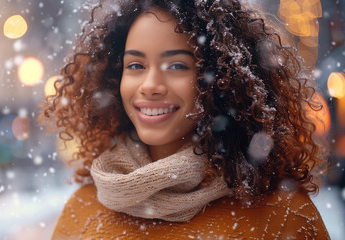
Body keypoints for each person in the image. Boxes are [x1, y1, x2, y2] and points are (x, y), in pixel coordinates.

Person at [41, 0, 330, 239]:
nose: (150, 85)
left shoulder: (282, 216)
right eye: (136, 65)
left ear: (219, 80)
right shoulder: (83, 212)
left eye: (177, 65)